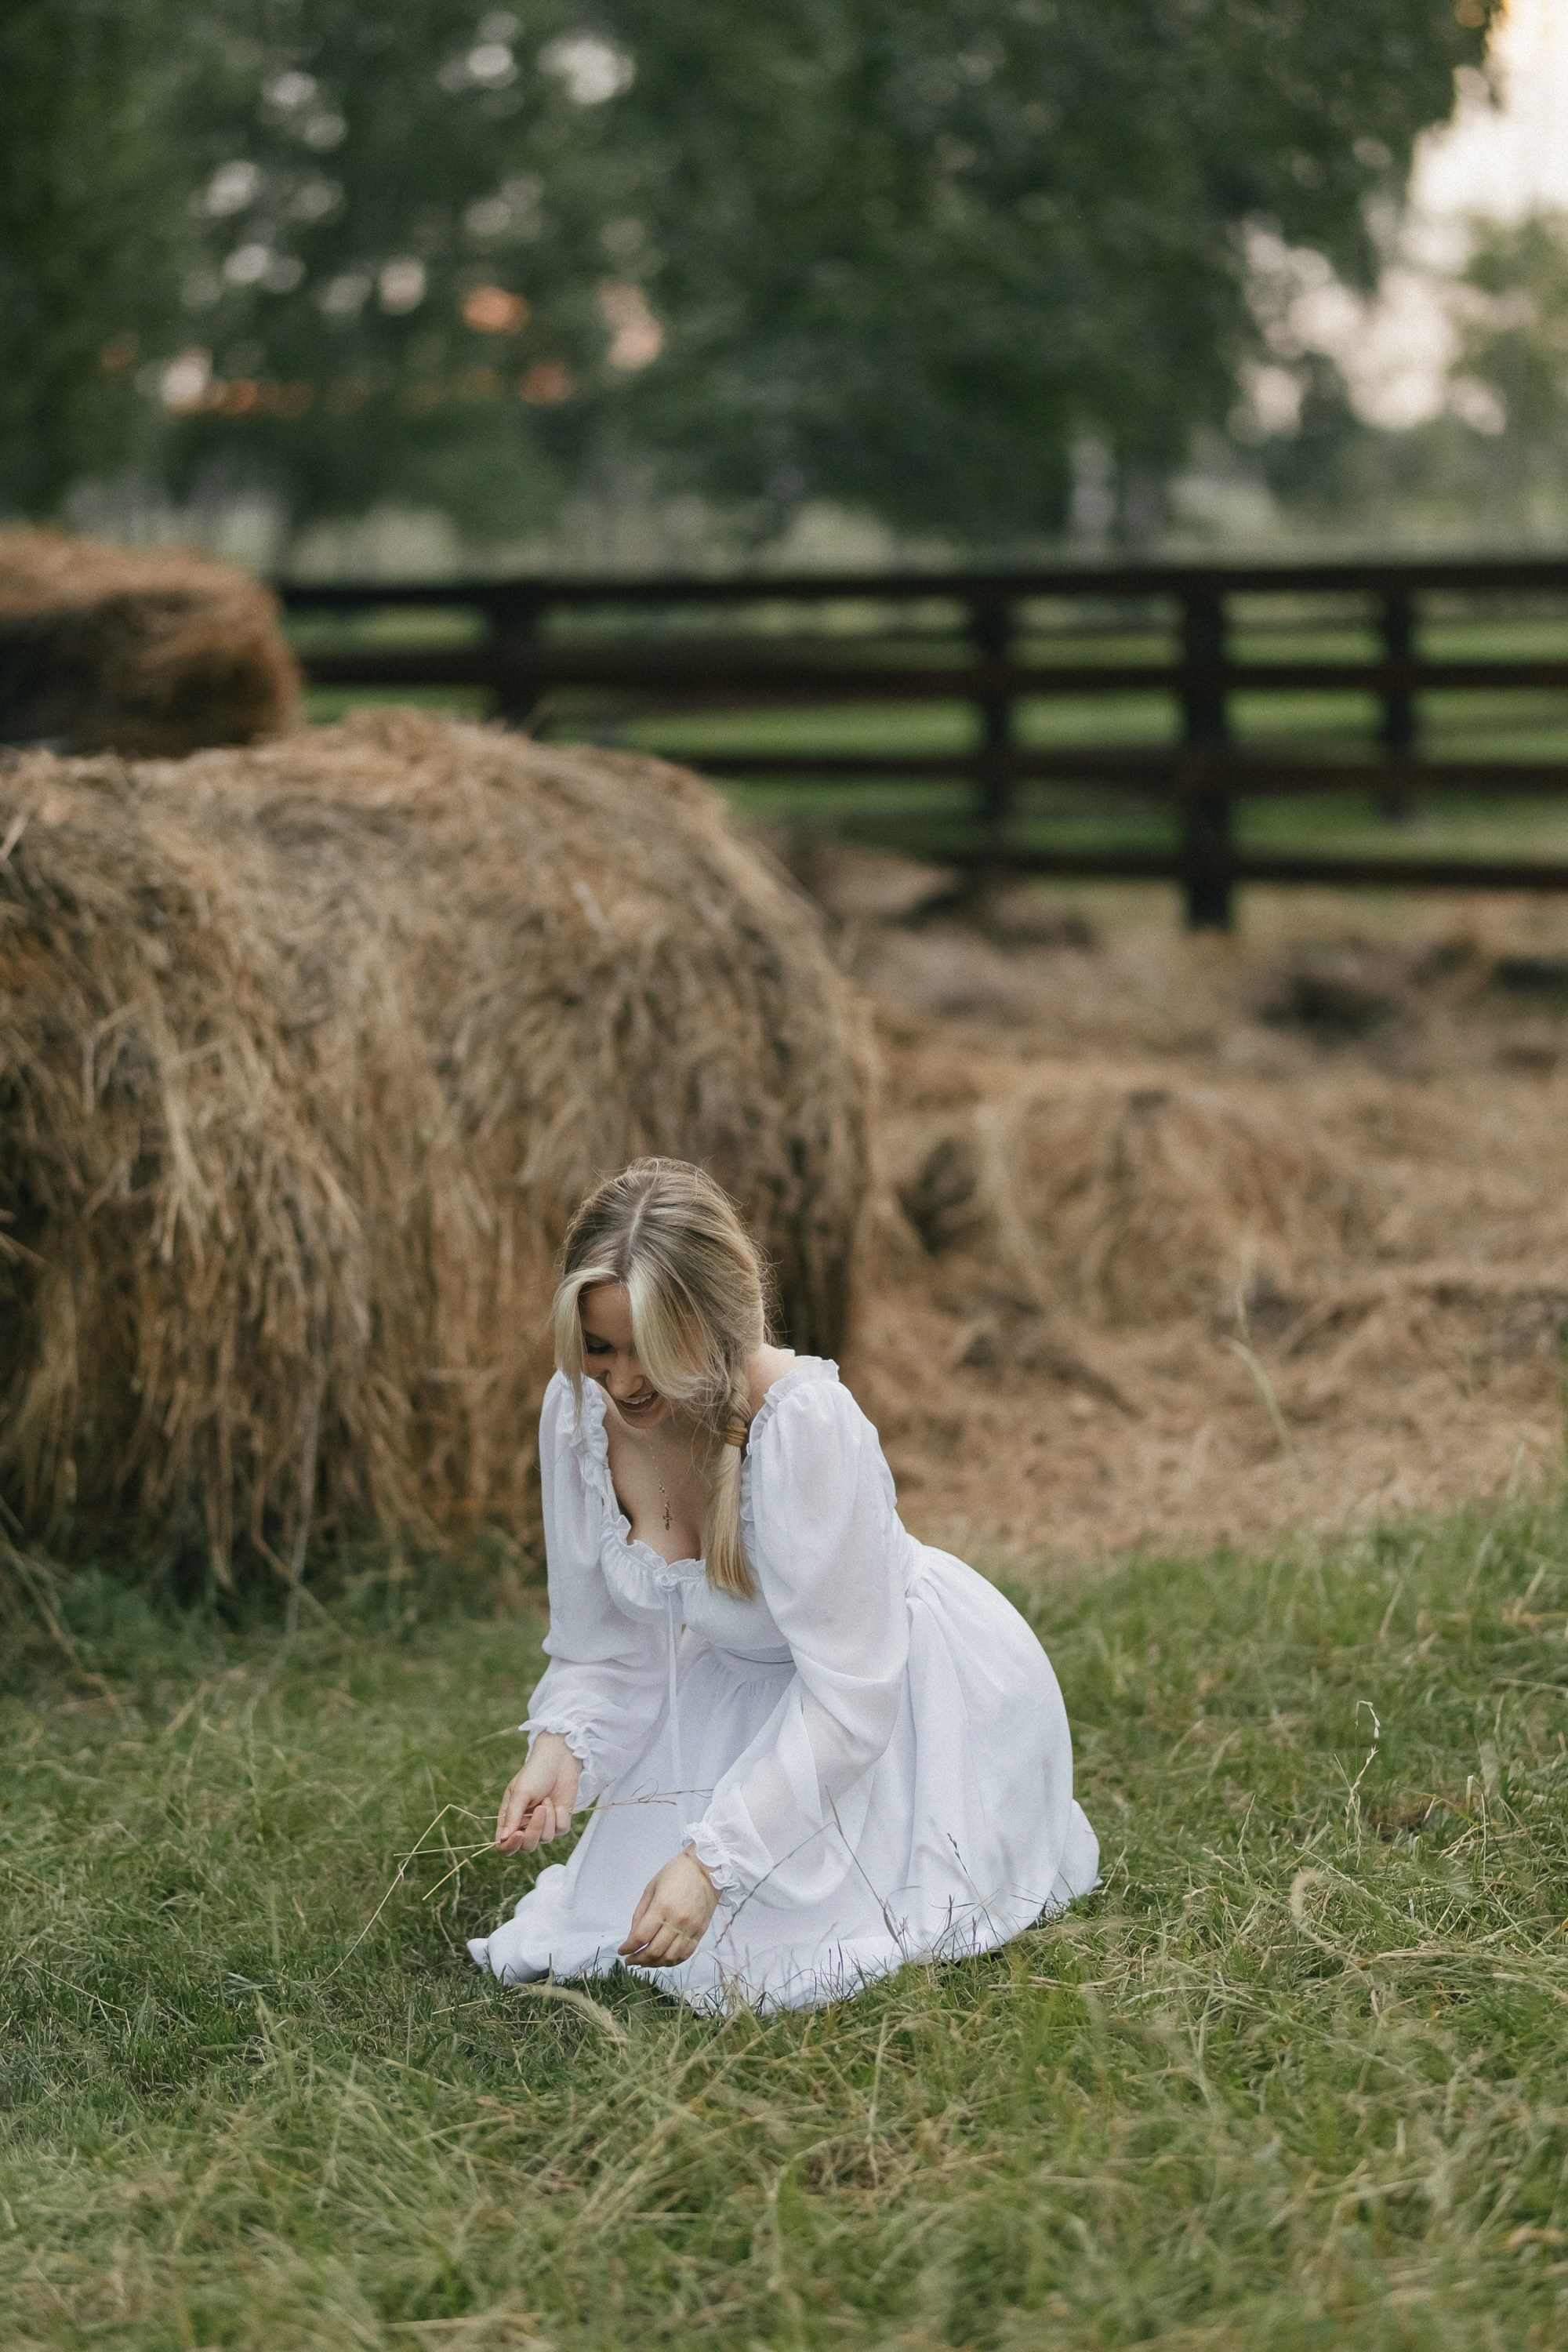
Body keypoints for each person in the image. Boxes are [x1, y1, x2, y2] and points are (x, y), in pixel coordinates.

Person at [469, 1158, 1098, 2013]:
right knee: (608, 1919)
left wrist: (714, 1860)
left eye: (648, 1351)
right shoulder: (577, 1413)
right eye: (598, 1347)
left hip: (887, 1702)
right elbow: (600, 1645)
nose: (619, 1382)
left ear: (714, 1327)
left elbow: (850, 1700)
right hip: (738, 1687)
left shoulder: (801, 1426)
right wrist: (560, 1751)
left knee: (757, 1952)